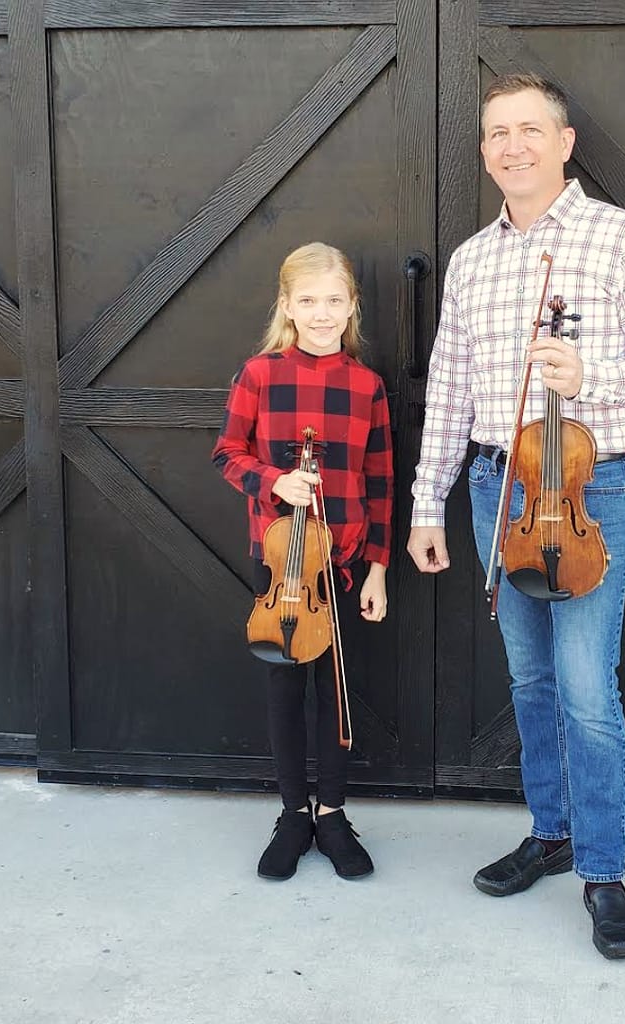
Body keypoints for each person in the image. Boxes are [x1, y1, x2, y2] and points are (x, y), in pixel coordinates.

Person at [407, 74, 625, 959]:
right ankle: (552, 831)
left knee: (584, 688)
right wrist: (427, 502)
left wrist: (592, 379)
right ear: (486, 149)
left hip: (591, 485)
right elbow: (449, 389)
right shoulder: (469, 258)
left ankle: (603, 871)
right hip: (499, 488)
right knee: (530, 682)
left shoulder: (618, 237)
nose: (513, 145)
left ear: (566, 142)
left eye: (531, 129)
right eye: (498, 132)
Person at [213, 242, 393, 882]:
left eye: (334, 301)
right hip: (282, 567)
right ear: (287, 305)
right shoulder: (259, 375)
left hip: (339, 567)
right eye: (309, 301)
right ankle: (293, 814)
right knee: (285, 687)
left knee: (338, 692)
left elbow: (379, 481)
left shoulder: (366, 386)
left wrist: (376, 567)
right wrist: (273, 482)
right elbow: (228, 454)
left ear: (352, 307)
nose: (322, 314)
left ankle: (334, 813)